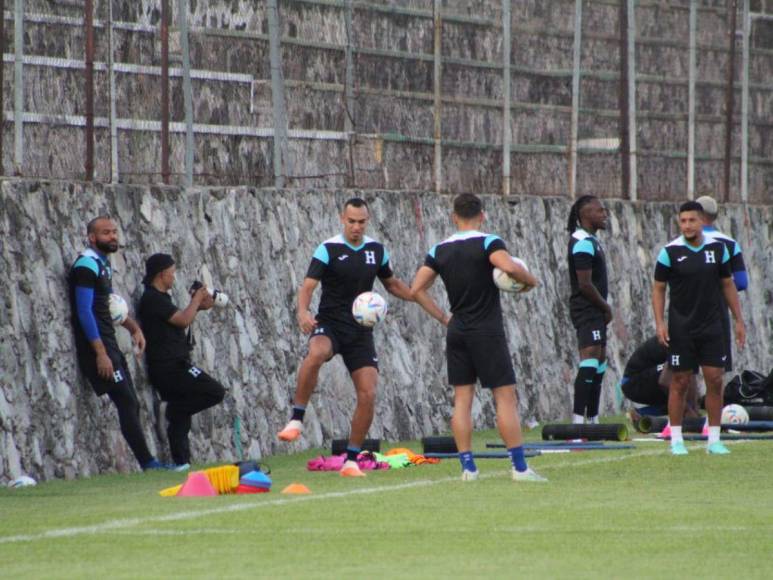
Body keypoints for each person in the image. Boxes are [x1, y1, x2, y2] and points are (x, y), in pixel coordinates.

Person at [410, 193, 546, 482]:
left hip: (457, 330)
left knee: (462, 399)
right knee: (505, 397)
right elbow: (508, 267)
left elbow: (416, 290)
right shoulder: (488, 242)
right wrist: (531, 281)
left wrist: (444, 317)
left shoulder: (439, 250)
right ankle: (520, 468)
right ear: (482, 215)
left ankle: (468, 468)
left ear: (453, 216)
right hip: (486, 330)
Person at [277, 198, 413, 478]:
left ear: (367, 220)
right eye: (351, 221)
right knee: (316, 354)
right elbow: (308, 286)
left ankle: (351, 460)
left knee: (368, 393)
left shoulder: (376, 250)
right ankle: (296, 419)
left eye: (361, 222)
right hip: (330, 324)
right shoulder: (328, 249)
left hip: (360, 332)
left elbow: (391, 283)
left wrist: (416, 295)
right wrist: (303, 312)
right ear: (342, 218)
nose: (356, 227)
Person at [68, 216, 166, 471]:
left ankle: (149, 462)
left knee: (131, 401)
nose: (113, 236)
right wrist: (100, 353)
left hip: (110, 344)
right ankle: (148, 463)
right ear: (92, 237)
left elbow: (108, 305)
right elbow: (85, 312)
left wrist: (133, 328)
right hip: (98, 348)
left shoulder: (103, 264)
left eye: (114, 232)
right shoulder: (86, 266)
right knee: (126, 401)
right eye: (106, 233)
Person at [652, 201, 746, 456]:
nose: (687, 226)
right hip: (681, 327)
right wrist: (660, 323)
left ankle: (714, 439)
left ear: (701, 221)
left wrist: (738, 319)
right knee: (680, 381)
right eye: (682, 221)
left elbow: (728, 284)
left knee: (715, 380)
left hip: (713, 325)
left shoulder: (718, 250)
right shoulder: (669, 252)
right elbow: (659, 288)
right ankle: (677, 440)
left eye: (692, 220)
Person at [137, 254, 226, 469]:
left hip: (175, 364)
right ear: (161, 274)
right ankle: (170, 409)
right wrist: (195, 300)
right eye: (172, 273)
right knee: (214, 391)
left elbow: (179, 322)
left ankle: (182, 463)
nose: (174, 277)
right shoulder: (152, 299)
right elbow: (183, 320)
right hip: (169, 367)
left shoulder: (162, 299)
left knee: (182, 416)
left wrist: (199, 306)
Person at [566, 195, 612, 425]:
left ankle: (593, 419)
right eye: (599, 210)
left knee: (600, 360)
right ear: (585, 214)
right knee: (590, 358)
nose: (604, 214)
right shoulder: (582, 241)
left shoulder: (592, 240)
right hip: (587, 310)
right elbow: (584, 284)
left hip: (596, 311)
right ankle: (577, 423)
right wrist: (606, 307)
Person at [696, 194, 748, 373]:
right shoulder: (730, 244)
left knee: (685, 372)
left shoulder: (681, 243)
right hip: (717, 314)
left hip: (686, 313)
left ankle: (691, 402)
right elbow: (741, 282)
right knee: (717, 374)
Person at [622, 336, 700, 421]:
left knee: (678, 398)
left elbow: (691, 376)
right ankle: (685, 412)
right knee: (676, 381)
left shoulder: (692, 344)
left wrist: (694, 409)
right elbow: (664, 381)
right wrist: (688, 410)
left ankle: (640, 413)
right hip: (632, 382)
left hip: (645, 377)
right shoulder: (680, 341)